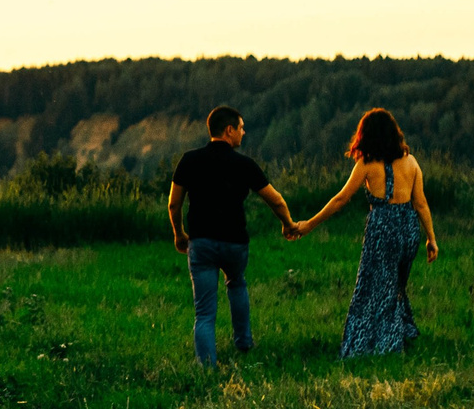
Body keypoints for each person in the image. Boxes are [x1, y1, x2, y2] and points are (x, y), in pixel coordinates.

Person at [288, 107, 439, 357]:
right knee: (396, 286)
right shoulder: (411, 162)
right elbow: (421, 203)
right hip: (409, 230)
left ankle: (380, 346)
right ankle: (399, 336)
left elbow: (341, 199)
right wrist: (431, 239)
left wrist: (309, 224)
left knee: (372, 290)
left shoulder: (367, 164)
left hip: (383, 230)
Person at [168, 106, 294, 366]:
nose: (243, 132)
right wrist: (288, 224)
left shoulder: (189, 160)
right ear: (229, 131)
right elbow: (277, 201)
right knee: (236, 284)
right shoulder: (245, 164)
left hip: (201, 242)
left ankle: (207, 365)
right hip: (235, 243)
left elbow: (173, 204)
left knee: (204, 311)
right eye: (241, 127)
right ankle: (244, 343)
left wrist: (179, 234)